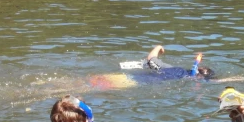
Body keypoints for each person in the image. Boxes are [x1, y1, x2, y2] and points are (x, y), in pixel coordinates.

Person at [88, 44, 216, 89]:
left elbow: (151, 60)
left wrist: (158, 47)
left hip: (130, 77)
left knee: (88, 82)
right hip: (133, 83)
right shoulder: (189, 78)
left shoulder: (175, 69)